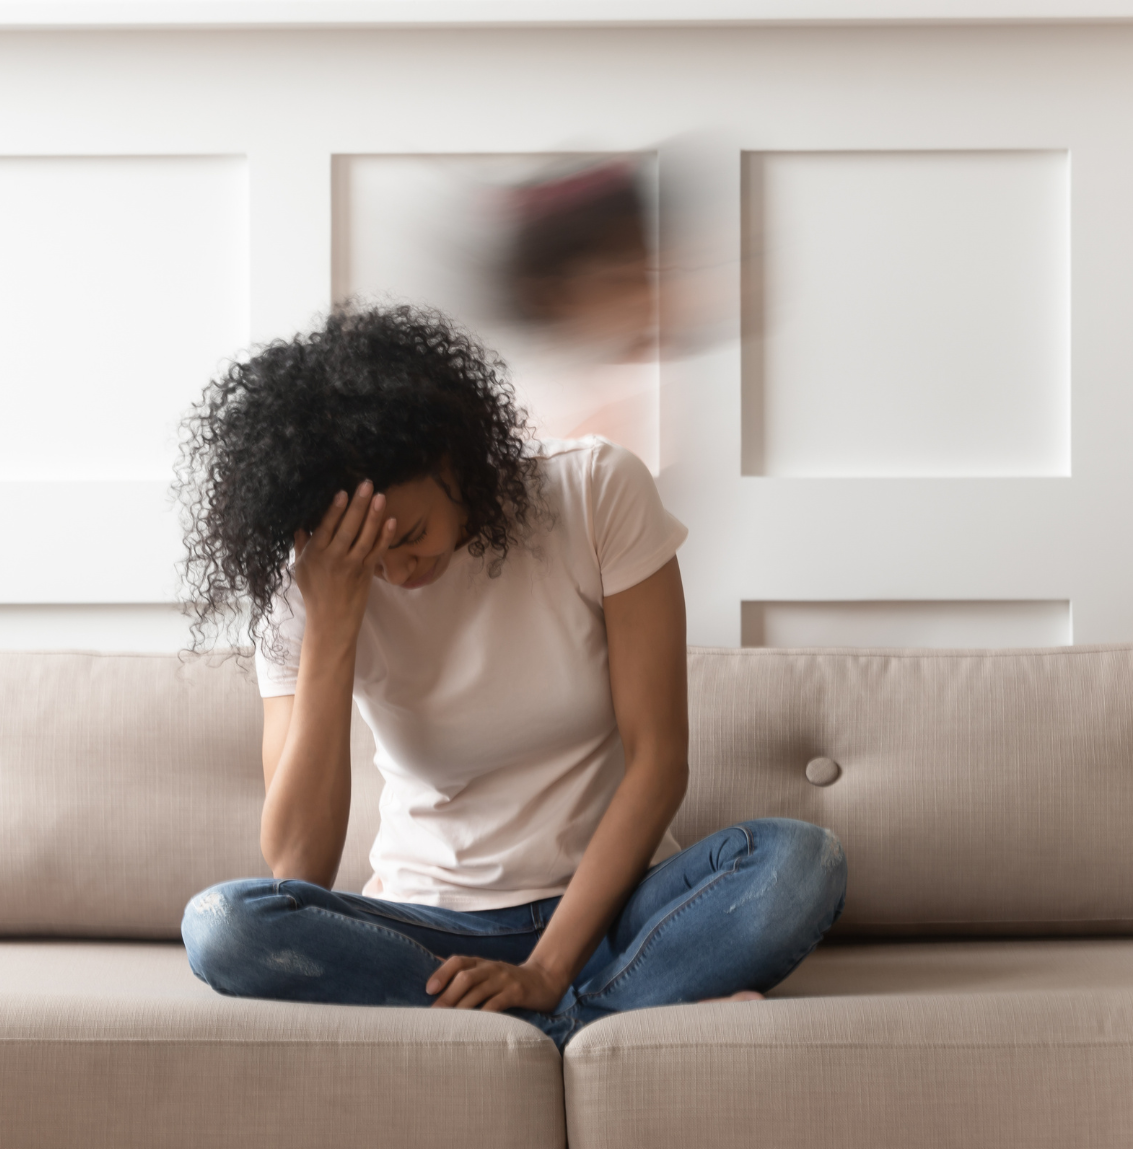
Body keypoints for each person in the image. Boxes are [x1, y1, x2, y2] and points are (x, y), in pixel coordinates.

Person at [178, 306, 845, 1049]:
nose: (399, 570)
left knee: (799, 863)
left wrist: (547, 969)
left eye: (413, 535)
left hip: (614, 910)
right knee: (220, 926)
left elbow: (659, 763)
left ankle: (538, 1017)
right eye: (374, 557)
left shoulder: (595, 491)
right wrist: (333, 622)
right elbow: (298, 865)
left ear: (454, 460)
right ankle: (609, 1015)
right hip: (427, 934)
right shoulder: (311, 585)